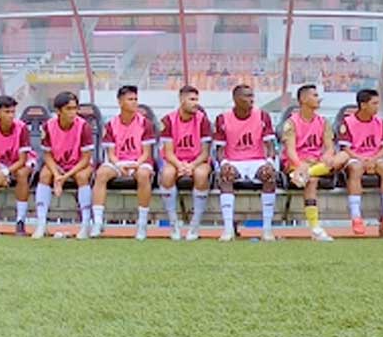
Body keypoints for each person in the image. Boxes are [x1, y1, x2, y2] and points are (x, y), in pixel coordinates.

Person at [213, 84, 278, 242]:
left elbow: (270, 146)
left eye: (252, 96)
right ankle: (228, 230)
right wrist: (224, 164)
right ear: (236, 99)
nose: (251, 99)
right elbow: (219, 150)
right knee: (225, 176)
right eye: (247, 96)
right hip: (233, 161)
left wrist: (269, 162)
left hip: (257, 161)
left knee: (269, 175)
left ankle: (267, 230)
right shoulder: (222, 119)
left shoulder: (263, 116)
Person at [90, 85, 156, 240]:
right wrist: (120, 165)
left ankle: (142, 223)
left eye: (135, 99)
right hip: (119, 162)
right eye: (130, 99)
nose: (134, 102)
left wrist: (136, 164)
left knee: (143, 175)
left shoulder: (145, 123)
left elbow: (146, 153)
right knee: (101, 173)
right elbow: (111, 154)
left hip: (140, 162)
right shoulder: (111, 124)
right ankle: (97, 222)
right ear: (120, 102)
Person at [32, 91, 95, 239]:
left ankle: (85, 224)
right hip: (57, 163)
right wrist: (56, 174)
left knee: (82, 176)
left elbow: (86, 158)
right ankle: (41, 223)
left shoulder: (84, 127)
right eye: (68, 109)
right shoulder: (48, 126)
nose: (73, 112)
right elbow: (47, 154)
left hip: (79, 164)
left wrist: (63, 178)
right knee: (44, 175)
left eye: (75, 108)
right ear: (58, 111)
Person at [335, 89, 383, 236]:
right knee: (356, 169)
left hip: (374, 157)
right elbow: (345, 148)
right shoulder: (348, 122)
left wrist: (373, 159)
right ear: (363, 105)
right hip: (355, 157)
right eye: (374, 103)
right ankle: (356, 217)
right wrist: (362, 159)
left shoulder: (380, 122)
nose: (377, 107)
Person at [282, 85, 339, 242]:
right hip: (298, 162)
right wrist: (300, 165)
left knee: (341, 157)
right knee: (312, 181)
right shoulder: (291, 122)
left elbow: (329, 147)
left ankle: (304, 175)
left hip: (317, 162)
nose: (318, 99)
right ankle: (315, 227)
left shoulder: (323, 122)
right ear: (303, 99)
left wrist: (328, 155)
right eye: (315, 95)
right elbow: (290, 150)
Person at [158, 85, 213, 241]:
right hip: (175, 160)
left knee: (201, 175)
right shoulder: (168, 120)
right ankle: (173, 223)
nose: (196, 103)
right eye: (192, 99)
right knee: (167, 174)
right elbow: (168, 152)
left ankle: (195, 225)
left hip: (197, 160)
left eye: (197, 99)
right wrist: (180, 165)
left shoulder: (203, 120)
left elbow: (205, 152)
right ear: (182, 100)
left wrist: (191, 166)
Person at [0, 95, 35, 236]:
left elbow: (22, 160)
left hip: (20, 161)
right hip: (0, 162)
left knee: (22, 174)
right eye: (7, 112)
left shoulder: (22, 128)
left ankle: (20, 221)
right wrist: (0, 172)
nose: (11, 115)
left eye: (12, 112)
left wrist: (4, 173)